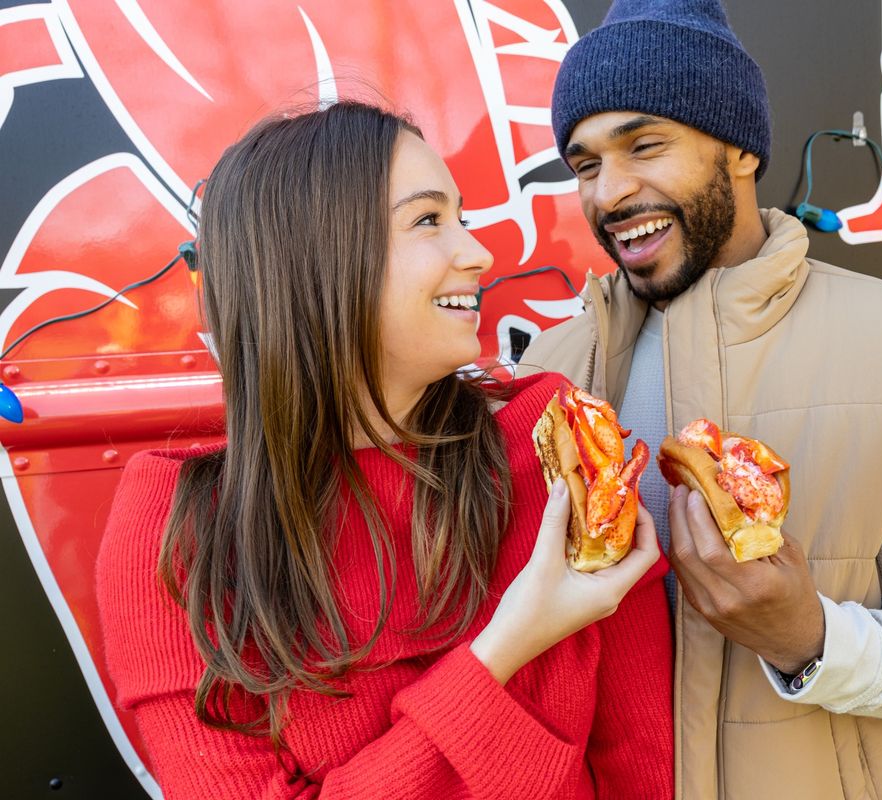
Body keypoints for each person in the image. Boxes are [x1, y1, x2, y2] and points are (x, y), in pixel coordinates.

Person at [95, 101, 673, 799]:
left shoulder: (550, 443)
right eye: (429, 220)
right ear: (310, 255)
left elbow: (642, 764)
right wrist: (508, 646)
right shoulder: (180, 525)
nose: (479, 253)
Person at [515, 1, 882, 797]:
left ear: (741, 148)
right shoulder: (549, 374)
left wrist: (806, 637)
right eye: (584, 164)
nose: (610, 192)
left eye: (645, 145)